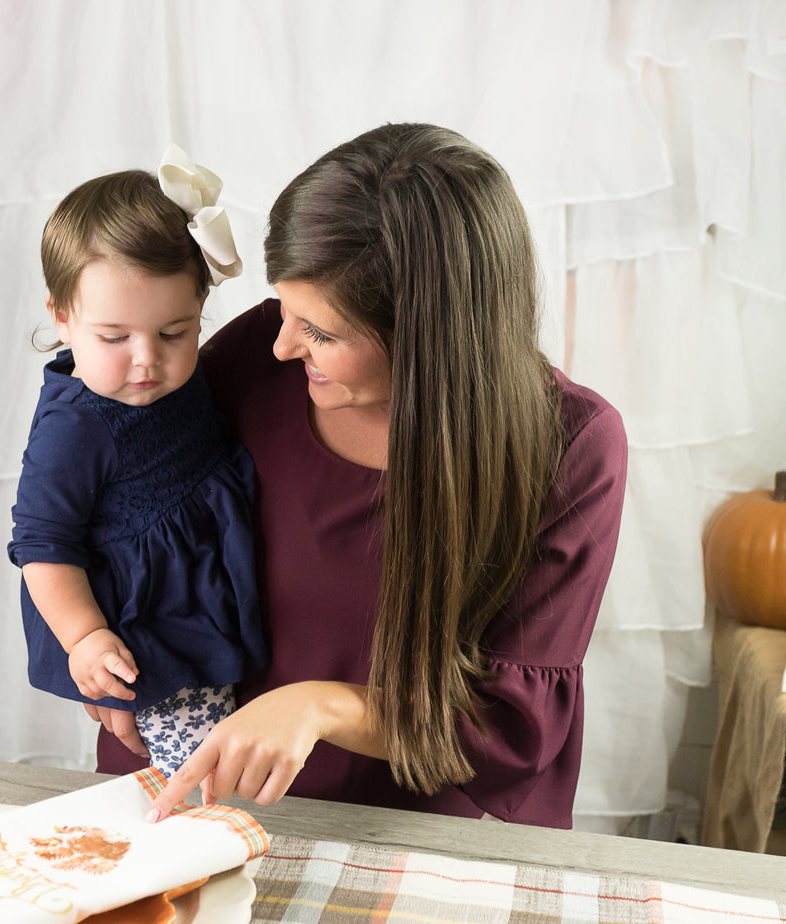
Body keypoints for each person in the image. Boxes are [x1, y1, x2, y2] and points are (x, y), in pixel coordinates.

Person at [98, 123, 629, 829]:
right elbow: (107, 501)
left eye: (321, 332)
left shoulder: (571, 447)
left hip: (393, 833)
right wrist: (89, 643)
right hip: (185, 797)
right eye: (285, 308)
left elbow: (508, 724)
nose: (283, 345)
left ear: (431, 335)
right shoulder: (255, 358)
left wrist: (321, 706)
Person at [8, 147, 266, 777]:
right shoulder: (76, 428)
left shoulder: (176, 375)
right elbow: (43, 544)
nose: (147, 359)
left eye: (175, 331)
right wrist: (85, 638)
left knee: (241, 749)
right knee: (198, 770)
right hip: (149, 630)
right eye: (114, 337)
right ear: (62, 318)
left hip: (208, 598)